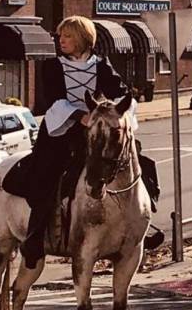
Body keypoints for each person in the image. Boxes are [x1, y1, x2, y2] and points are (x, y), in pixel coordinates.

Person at [20, 15, 138, 268]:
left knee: (135, 160)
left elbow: (122, 94)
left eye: (68, 36)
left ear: (84, 38)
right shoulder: (52, 66)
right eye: (60, 36)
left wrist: (120, 116)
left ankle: (140, 226)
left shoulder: (101, 65)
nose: (61, 40)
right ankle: (34, 236)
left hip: (94, 132)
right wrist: (81, 117)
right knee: (47, 174)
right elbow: (54, 101)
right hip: (61, 131)